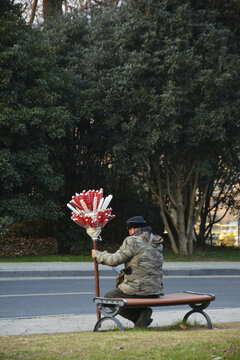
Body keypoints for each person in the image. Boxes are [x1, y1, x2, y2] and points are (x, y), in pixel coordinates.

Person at [91, 215, 164, 328]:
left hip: (139, 290)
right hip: (155, 291)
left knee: (108, 298)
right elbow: (146, 265)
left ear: (133, 229)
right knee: (123, 295)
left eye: (129, 230)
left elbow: (113, 260)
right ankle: (141, 316)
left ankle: (137, 317)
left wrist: (98, 255)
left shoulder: (133, 241)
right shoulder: (156, 241)